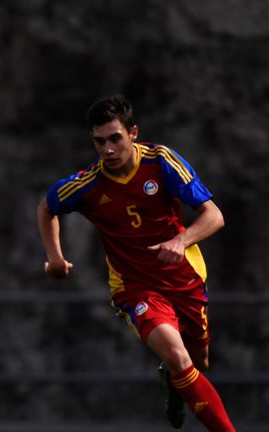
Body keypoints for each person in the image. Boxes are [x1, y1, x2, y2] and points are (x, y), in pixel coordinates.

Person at [37, 95, 234, 431]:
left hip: (184, 279)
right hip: (135, 288)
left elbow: (214, 215)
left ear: (133, 133)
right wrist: (54, 257)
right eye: (99, 142)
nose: (108, 150)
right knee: (176, 355)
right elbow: (47, 208)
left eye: (115, 138)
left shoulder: (161, 162)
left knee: (197, 363)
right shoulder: (88, 185)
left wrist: (180, 241)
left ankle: (175, 383)